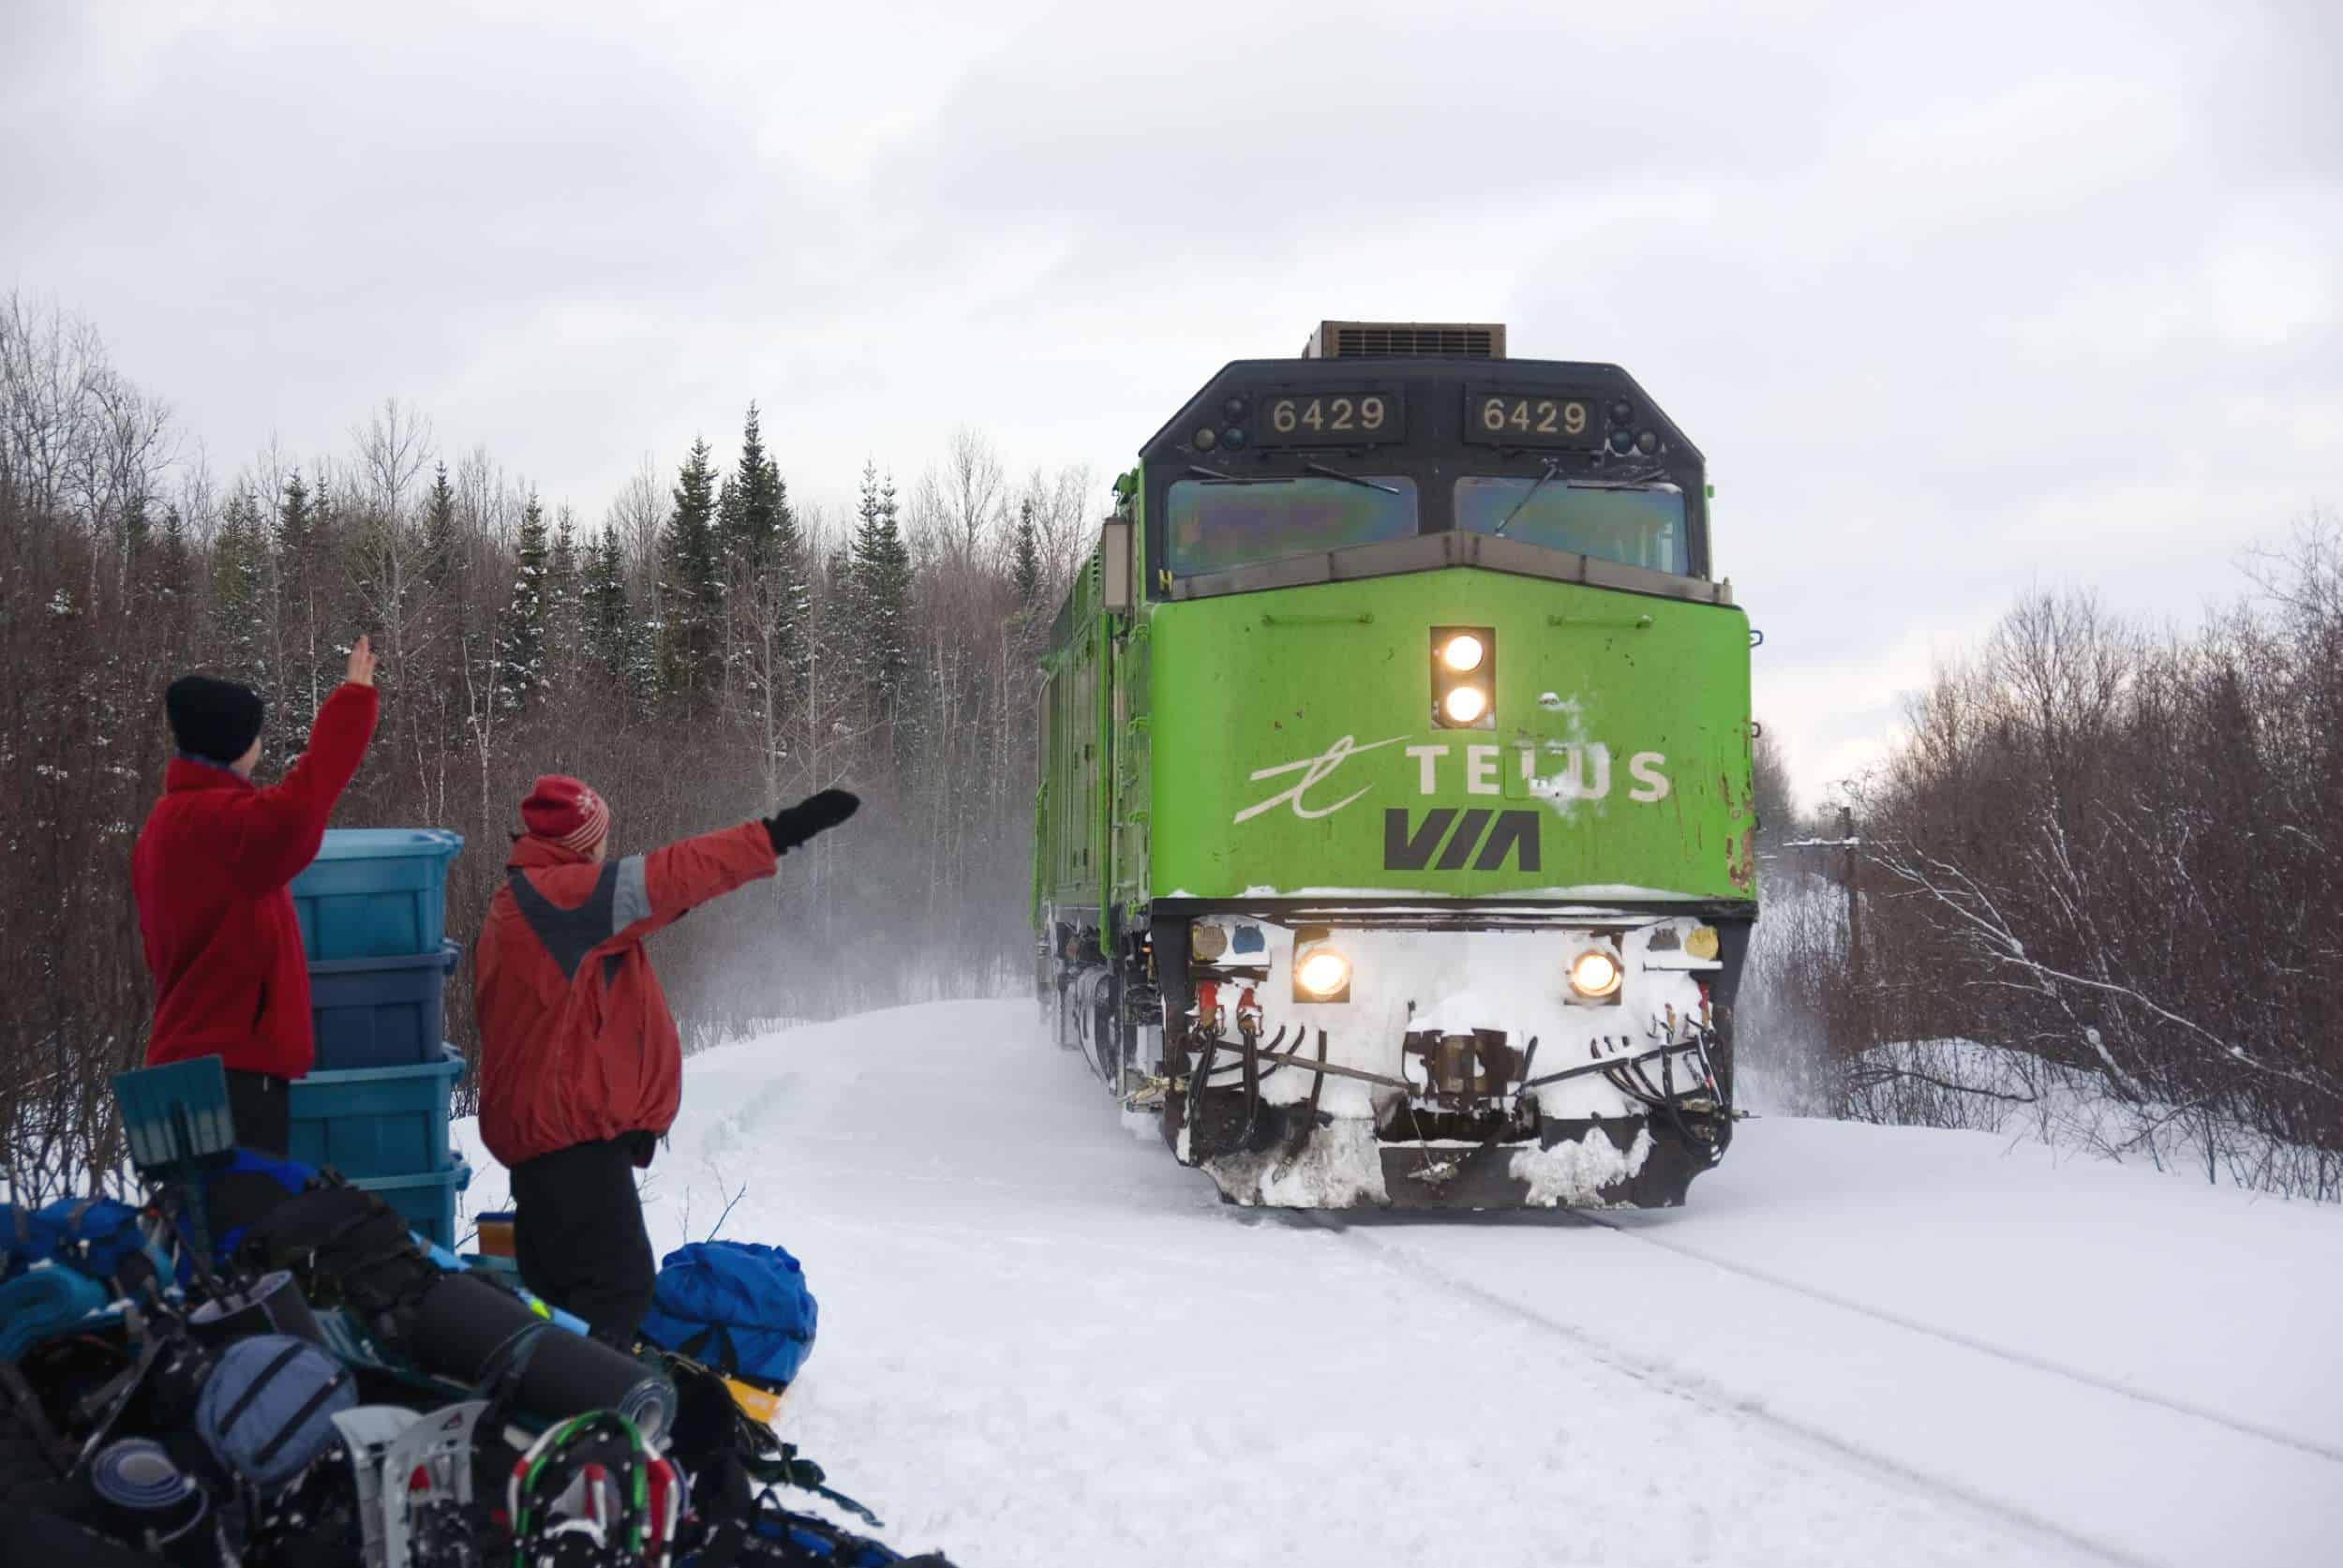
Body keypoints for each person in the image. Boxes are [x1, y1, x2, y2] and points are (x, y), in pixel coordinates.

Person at [472, 775, 859, 1344]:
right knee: (616, 1296)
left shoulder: (531, 900)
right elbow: (674, 875)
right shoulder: (562, 897)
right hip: (570, 1148)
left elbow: (664, 899)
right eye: (601, 837)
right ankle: (589, 1399)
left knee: (569, 1303)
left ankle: (556, 1392)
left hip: (551, 1148)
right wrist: (779, 833)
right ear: (584, 841)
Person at [132, 636, 381, 1154]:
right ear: (235, 745)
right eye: (256, 737)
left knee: (198, 1207)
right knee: (243, 1207)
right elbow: (305, 799)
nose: (261, 747)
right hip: (231, 1079)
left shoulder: (166, 822)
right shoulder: (224, 827)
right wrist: (353, 702)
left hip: (179, 1069)